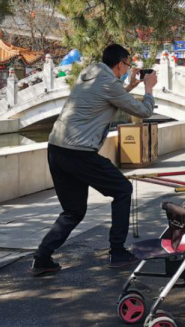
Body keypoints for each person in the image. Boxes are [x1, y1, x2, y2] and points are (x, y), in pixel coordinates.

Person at [32, 44, 157, 276]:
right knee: (122, 190)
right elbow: (144, 111)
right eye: (127, 65)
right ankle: (117, 251)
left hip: (56, 149)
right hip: (79, 152)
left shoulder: (88, 74)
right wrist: (149, 88)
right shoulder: (109, 84)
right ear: (120, 64)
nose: (128, 68)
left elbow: (108, 96)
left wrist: (131, 84)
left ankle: (42, 257)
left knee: (73, 211)